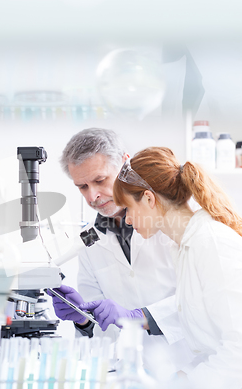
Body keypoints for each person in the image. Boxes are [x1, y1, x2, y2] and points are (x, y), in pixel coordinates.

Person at [83, 146, 242, 389]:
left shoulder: (211, 243)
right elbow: (209, 343)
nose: (130, 221)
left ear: (148, 198)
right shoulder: (183, 246)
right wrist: (173, 382)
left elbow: (238, 350)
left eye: (129, 209)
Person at [48, 128, 193, 371]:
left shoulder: (171, 219)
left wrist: (139, 316)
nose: (92, 196)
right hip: (127, 375)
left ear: (125, 163)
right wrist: (83, 319)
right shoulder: (87, 242)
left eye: (99, 180)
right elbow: (101, 328)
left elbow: (201, 300)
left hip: (186, 367)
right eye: (82, 187)